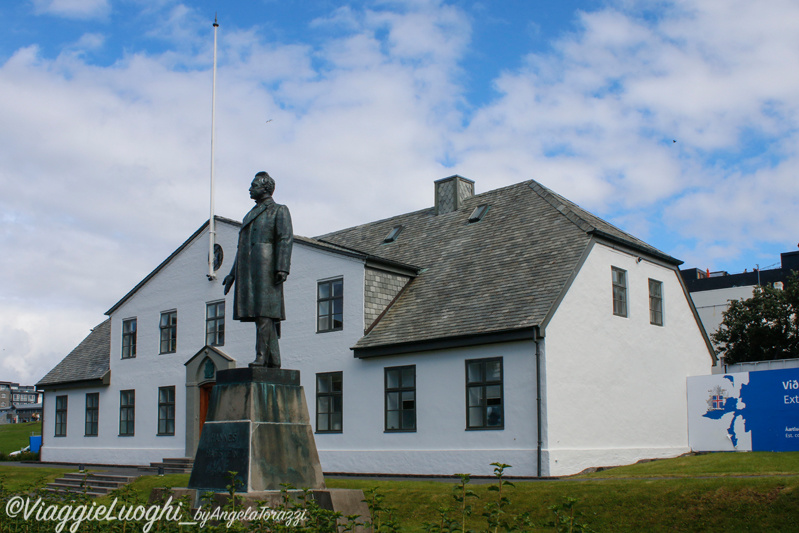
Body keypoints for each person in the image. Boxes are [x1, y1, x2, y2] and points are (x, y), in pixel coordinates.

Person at [223, 171, 293, 368]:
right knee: (260, 314)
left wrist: (282, 267)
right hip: (249, 269)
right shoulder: (250, 214)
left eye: (253, 185)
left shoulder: (279, 210)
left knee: (264, 313)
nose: (250, 189)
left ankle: (262, 357)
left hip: (267, 266)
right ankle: (274, 359)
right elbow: (241, 247)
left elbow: (285, 239)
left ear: (265, 188)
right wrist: (232, 274)